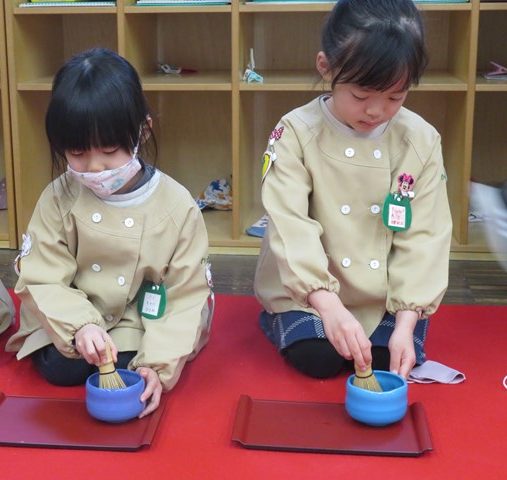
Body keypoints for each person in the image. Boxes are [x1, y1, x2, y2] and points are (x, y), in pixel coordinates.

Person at [5, 48, 213, 417]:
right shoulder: (58, 197)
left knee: (131, 365)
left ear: (142, 130)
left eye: (109, 150)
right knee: (64, 367)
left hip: (137, 318)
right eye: (77, 152)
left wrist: (157, 366)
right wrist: (81, 327)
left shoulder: (177, 205)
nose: (95, 167)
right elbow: (42, 276)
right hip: (73, 315)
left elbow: (185, 295)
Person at [254, 0, 452, 380]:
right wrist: (328, 306)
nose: (376, 111)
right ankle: (279, 317)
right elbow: (291, 225)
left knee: (384, 361)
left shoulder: (421, 140)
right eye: (361, 96)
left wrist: (407, 322)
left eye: (395, 97)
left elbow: (425, 235)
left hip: (385, 293)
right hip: (310, 288)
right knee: (318, 359)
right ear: (326, 67)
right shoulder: (295, 132)